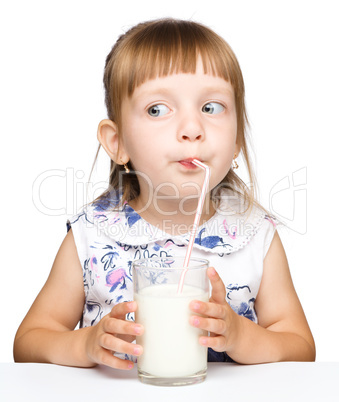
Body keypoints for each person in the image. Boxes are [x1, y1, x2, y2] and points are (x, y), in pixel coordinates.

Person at [14, 18, 315, 369]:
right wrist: (84, 344)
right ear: (118, 143)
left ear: (236, 141)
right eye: (157, 109)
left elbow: (300, 347)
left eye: (211, 107)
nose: (192, 129)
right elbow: (29, 341)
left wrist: (242, 336)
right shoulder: (92, 234)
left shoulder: (254, 235)